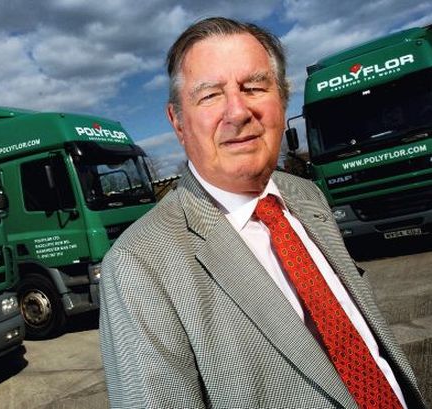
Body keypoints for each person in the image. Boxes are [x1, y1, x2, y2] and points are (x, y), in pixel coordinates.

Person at [99, 17, 427, 409]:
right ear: (178, 122)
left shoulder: (306, 197)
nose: (238, 112)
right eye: (210, 95)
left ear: (282, 100)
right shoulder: (138, 265)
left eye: (254, 87)